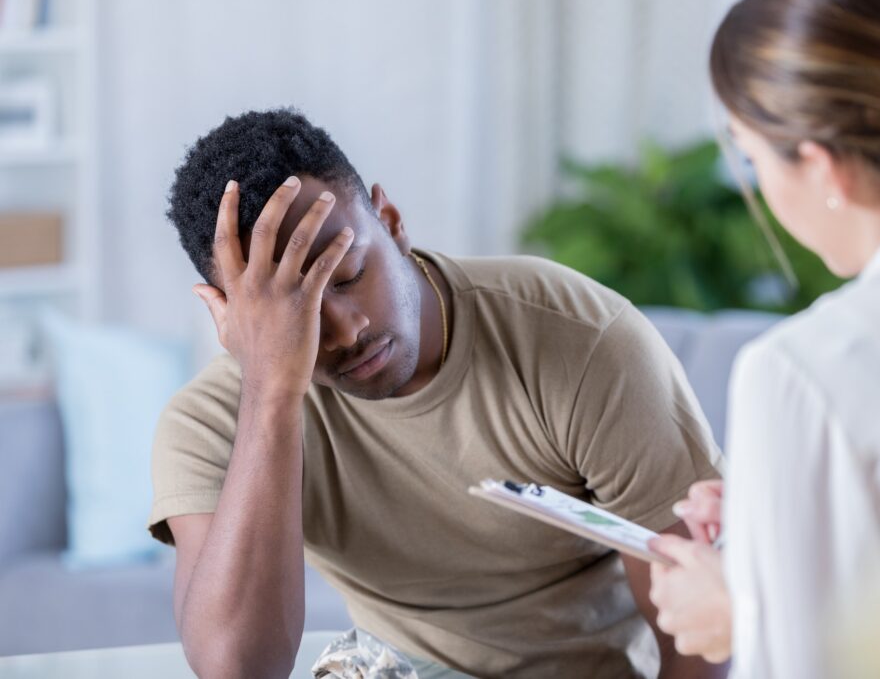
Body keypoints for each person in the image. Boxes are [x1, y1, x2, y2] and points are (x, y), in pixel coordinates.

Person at [149, 109, 725, 678]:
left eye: (348, 275)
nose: (348, 330)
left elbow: (701, 641)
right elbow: (238, 670)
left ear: (392, 220)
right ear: (229, 319)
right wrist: (272, 394)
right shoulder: (212, 424)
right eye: (294, 316)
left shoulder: (580, 341)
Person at [646, 0, 880, 677]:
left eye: (751, 155)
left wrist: (743, 610)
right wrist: (794, 517)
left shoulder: (805, 372)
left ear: (822, 167)